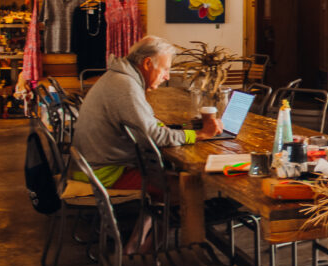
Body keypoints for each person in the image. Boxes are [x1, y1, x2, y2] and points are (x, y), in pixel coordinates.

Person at [71, 35, 223, 189]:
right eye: (165, 69)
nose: (167, 76)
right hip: (102, 173)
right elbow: (155, 136)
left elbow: (146, 125)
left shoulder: (119, 77)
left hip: (92, 165)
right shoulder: (126, 87)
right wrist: (200, 134)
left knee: (175, 174)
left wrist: (170, 127)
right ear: (147, 63)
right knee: (186, 187)